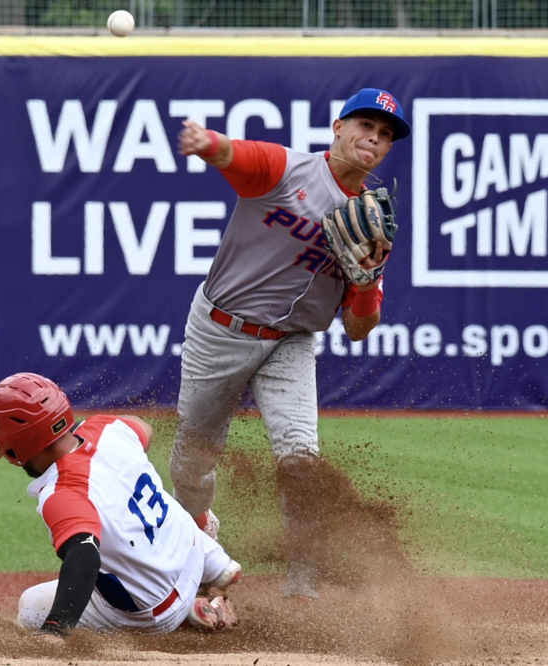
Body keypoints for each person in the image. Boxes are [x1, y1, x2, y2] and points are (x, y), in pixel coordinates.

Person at [169, 88, 411, 598]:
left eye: (386, 134)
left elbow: (359, 328)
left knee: (301, 463)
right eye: (366, 125)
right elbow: (238, 155)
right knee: (193, 457)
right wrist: (206, 142)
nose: (375, 138)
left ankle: (303, 587)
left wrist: (367, 283)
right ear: (339, 128)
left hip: (292, 342)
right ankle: (194, 546)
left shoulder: (372, 218)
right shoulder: (289, 171)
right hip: (220, 328)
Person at [0, 372, 241, 636]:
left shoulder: (62, 492)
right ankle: (217, 569)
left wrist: (56, 627)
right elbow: (143, 428)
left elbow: (84, 557)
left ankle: (186, 615)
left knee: (30, 606)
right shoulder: (106, 428)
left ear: (15, 447)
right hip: (194, 547)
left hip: (160, 608)